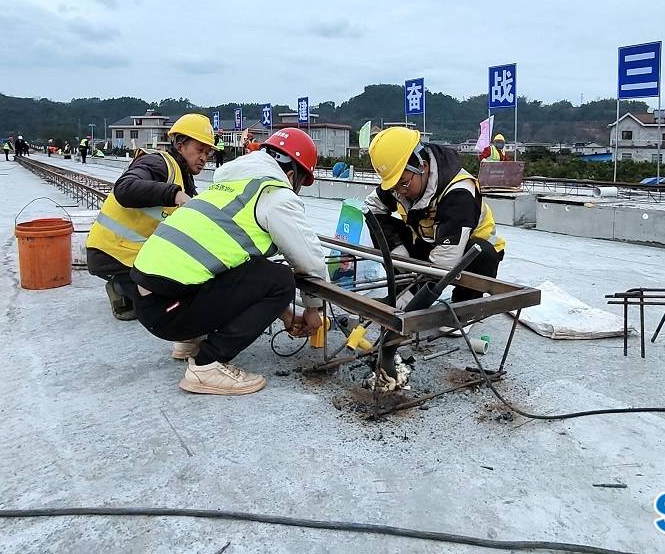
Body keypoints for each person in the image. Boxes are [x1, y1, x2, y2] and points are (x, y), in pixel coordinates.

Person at [130, 127, 328, 395]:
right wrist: (314, 308)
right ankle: (207, 364)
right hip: (169, 312)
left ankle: (190, 340)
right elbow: (310, 260)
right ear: (292, 175)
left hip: (151, 302)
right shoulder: (275, 194)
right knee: (281, 279)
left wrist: (287, 314)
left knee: (249, 266)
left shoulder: (229, 185)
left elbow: (240, 272)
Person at [87, 113, 215, 322]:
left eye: (208, 152)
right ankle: (120, 287)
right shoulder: (157, 163)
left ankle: (130, 289)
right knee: (169, 306)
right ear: (180, 145)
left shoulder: (184, 177)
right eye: (200, 149)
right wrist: (174, 194)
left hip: (135, 254)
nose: (204, 157)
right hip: (112, 254)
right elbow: (125, 188)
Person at [366, 126, 506, 315]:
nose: (400, 191)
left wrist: (413, 301)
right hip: (431, 242)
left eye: (403, 183)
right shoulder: (402, 181)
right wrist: (397, 254)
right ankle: (401, 292)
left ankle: (463, 309)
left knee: (482, 253)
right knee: (378, 223)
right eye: (393, 186)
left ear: (423, 166)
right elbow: (371, 207)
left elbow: (444, 262)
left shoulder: (460, 192)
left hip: (468, 251)